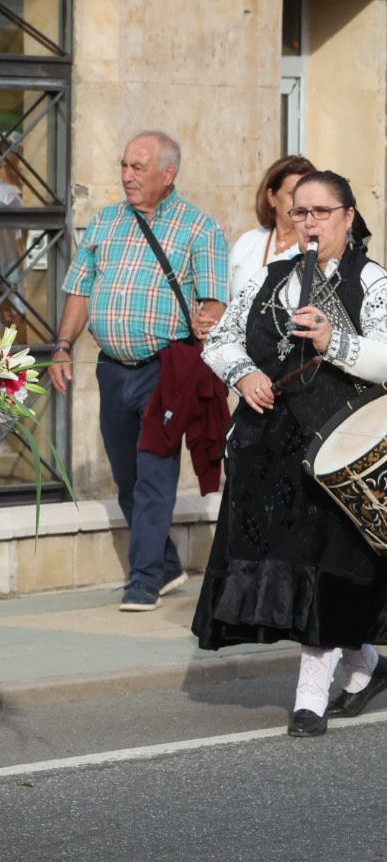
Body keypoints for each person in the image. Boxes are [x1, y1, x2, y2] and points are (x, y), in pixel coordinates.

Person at [194, 170, 387, 736]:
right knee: (285, 562)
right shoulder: (266, 278)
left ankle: (310, 693)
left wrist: (335, 343)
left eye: (322, 212)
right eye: (301, 212)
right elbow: (222, 339)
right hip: (269, 444)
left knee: (329, 565)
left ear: (348, 218)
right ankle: (365, 664)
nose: (309, 223)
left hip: (341, 447)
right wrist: (245, 373)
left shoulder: (373, 281)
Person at [47, 131, 229, 612]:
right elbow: (80, 290)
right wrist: (62, 346)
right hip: (112, 369)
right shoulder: (106, 221)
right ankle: (166, 564)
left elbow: (213, 300)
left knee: (154, 472)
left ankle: (144, 577)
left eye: (138, 168)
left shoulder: (199, 228)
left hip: (165, 368)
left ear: (168, 175)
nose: (127, 176)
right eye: (124, 165)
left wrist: (206, 319)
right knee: (126, 475)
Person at [227, 155, 316, 299]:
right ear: (272, 197)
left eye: (308, 195)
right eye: (293, 194)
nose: (302, 202)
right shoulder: (248, 242)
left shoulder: (315, 247)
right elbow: (224, 307)